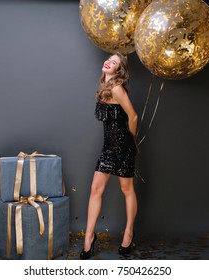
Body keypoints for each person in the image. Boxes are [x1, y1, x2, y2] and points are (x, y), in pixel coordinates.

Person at [80, 53, 139, 260]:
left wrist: (132, 141)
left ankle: (129, 231)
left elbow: (133, 116)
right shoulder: (103, 88)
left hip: (123, 146)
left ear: (118, 70)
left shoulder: (116, 88)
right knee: (96, 189)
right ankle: (89, 236)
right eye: (109, 59)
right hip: (108, 148)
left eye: (114, 62)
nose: (109, 62)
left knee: (126, 189)